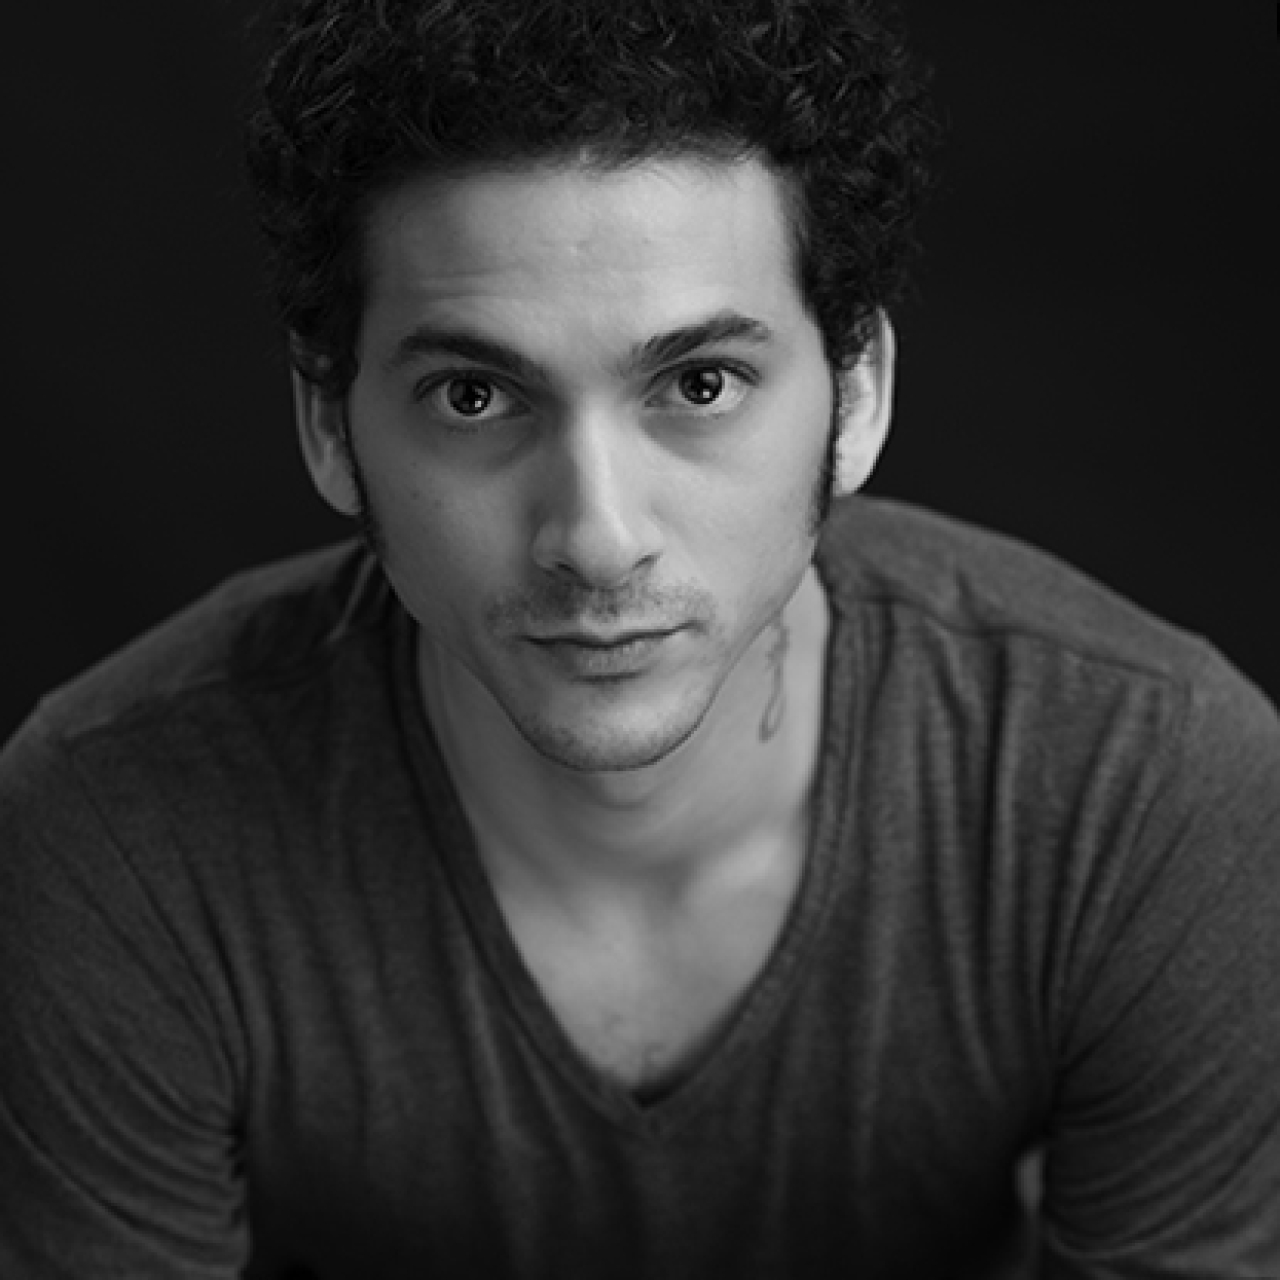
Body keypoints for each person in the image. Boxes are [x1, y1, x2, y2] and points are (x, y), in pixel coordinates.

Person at [1, 0, 1276, 1275]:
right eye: (473, 395)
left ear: (856, 395)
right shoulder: (117, 825)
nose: (597, 538)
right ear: (332, 426)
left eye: (698, 384)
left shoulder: (1140, 784)